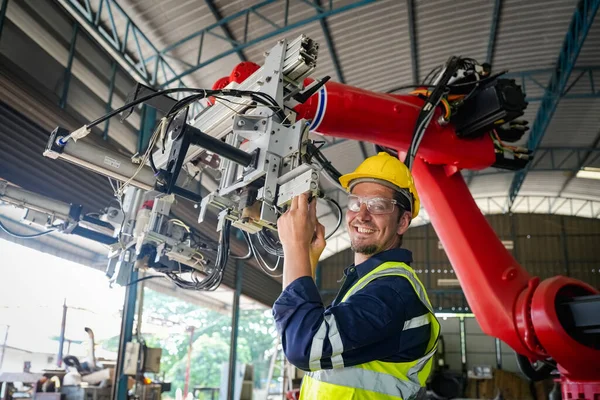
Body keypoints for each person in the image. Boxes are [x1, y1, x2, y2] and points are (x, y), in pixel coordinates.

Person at [273, 152, 440, 399]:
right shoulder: (366, 285)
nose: (361, 215)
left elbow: (303, 347)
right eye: (355, 202)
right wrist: (306, 258)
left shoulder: (393, 292)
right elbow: (307, 338)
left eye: (378, 205)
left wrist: (295, 245)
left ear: (403, 221)